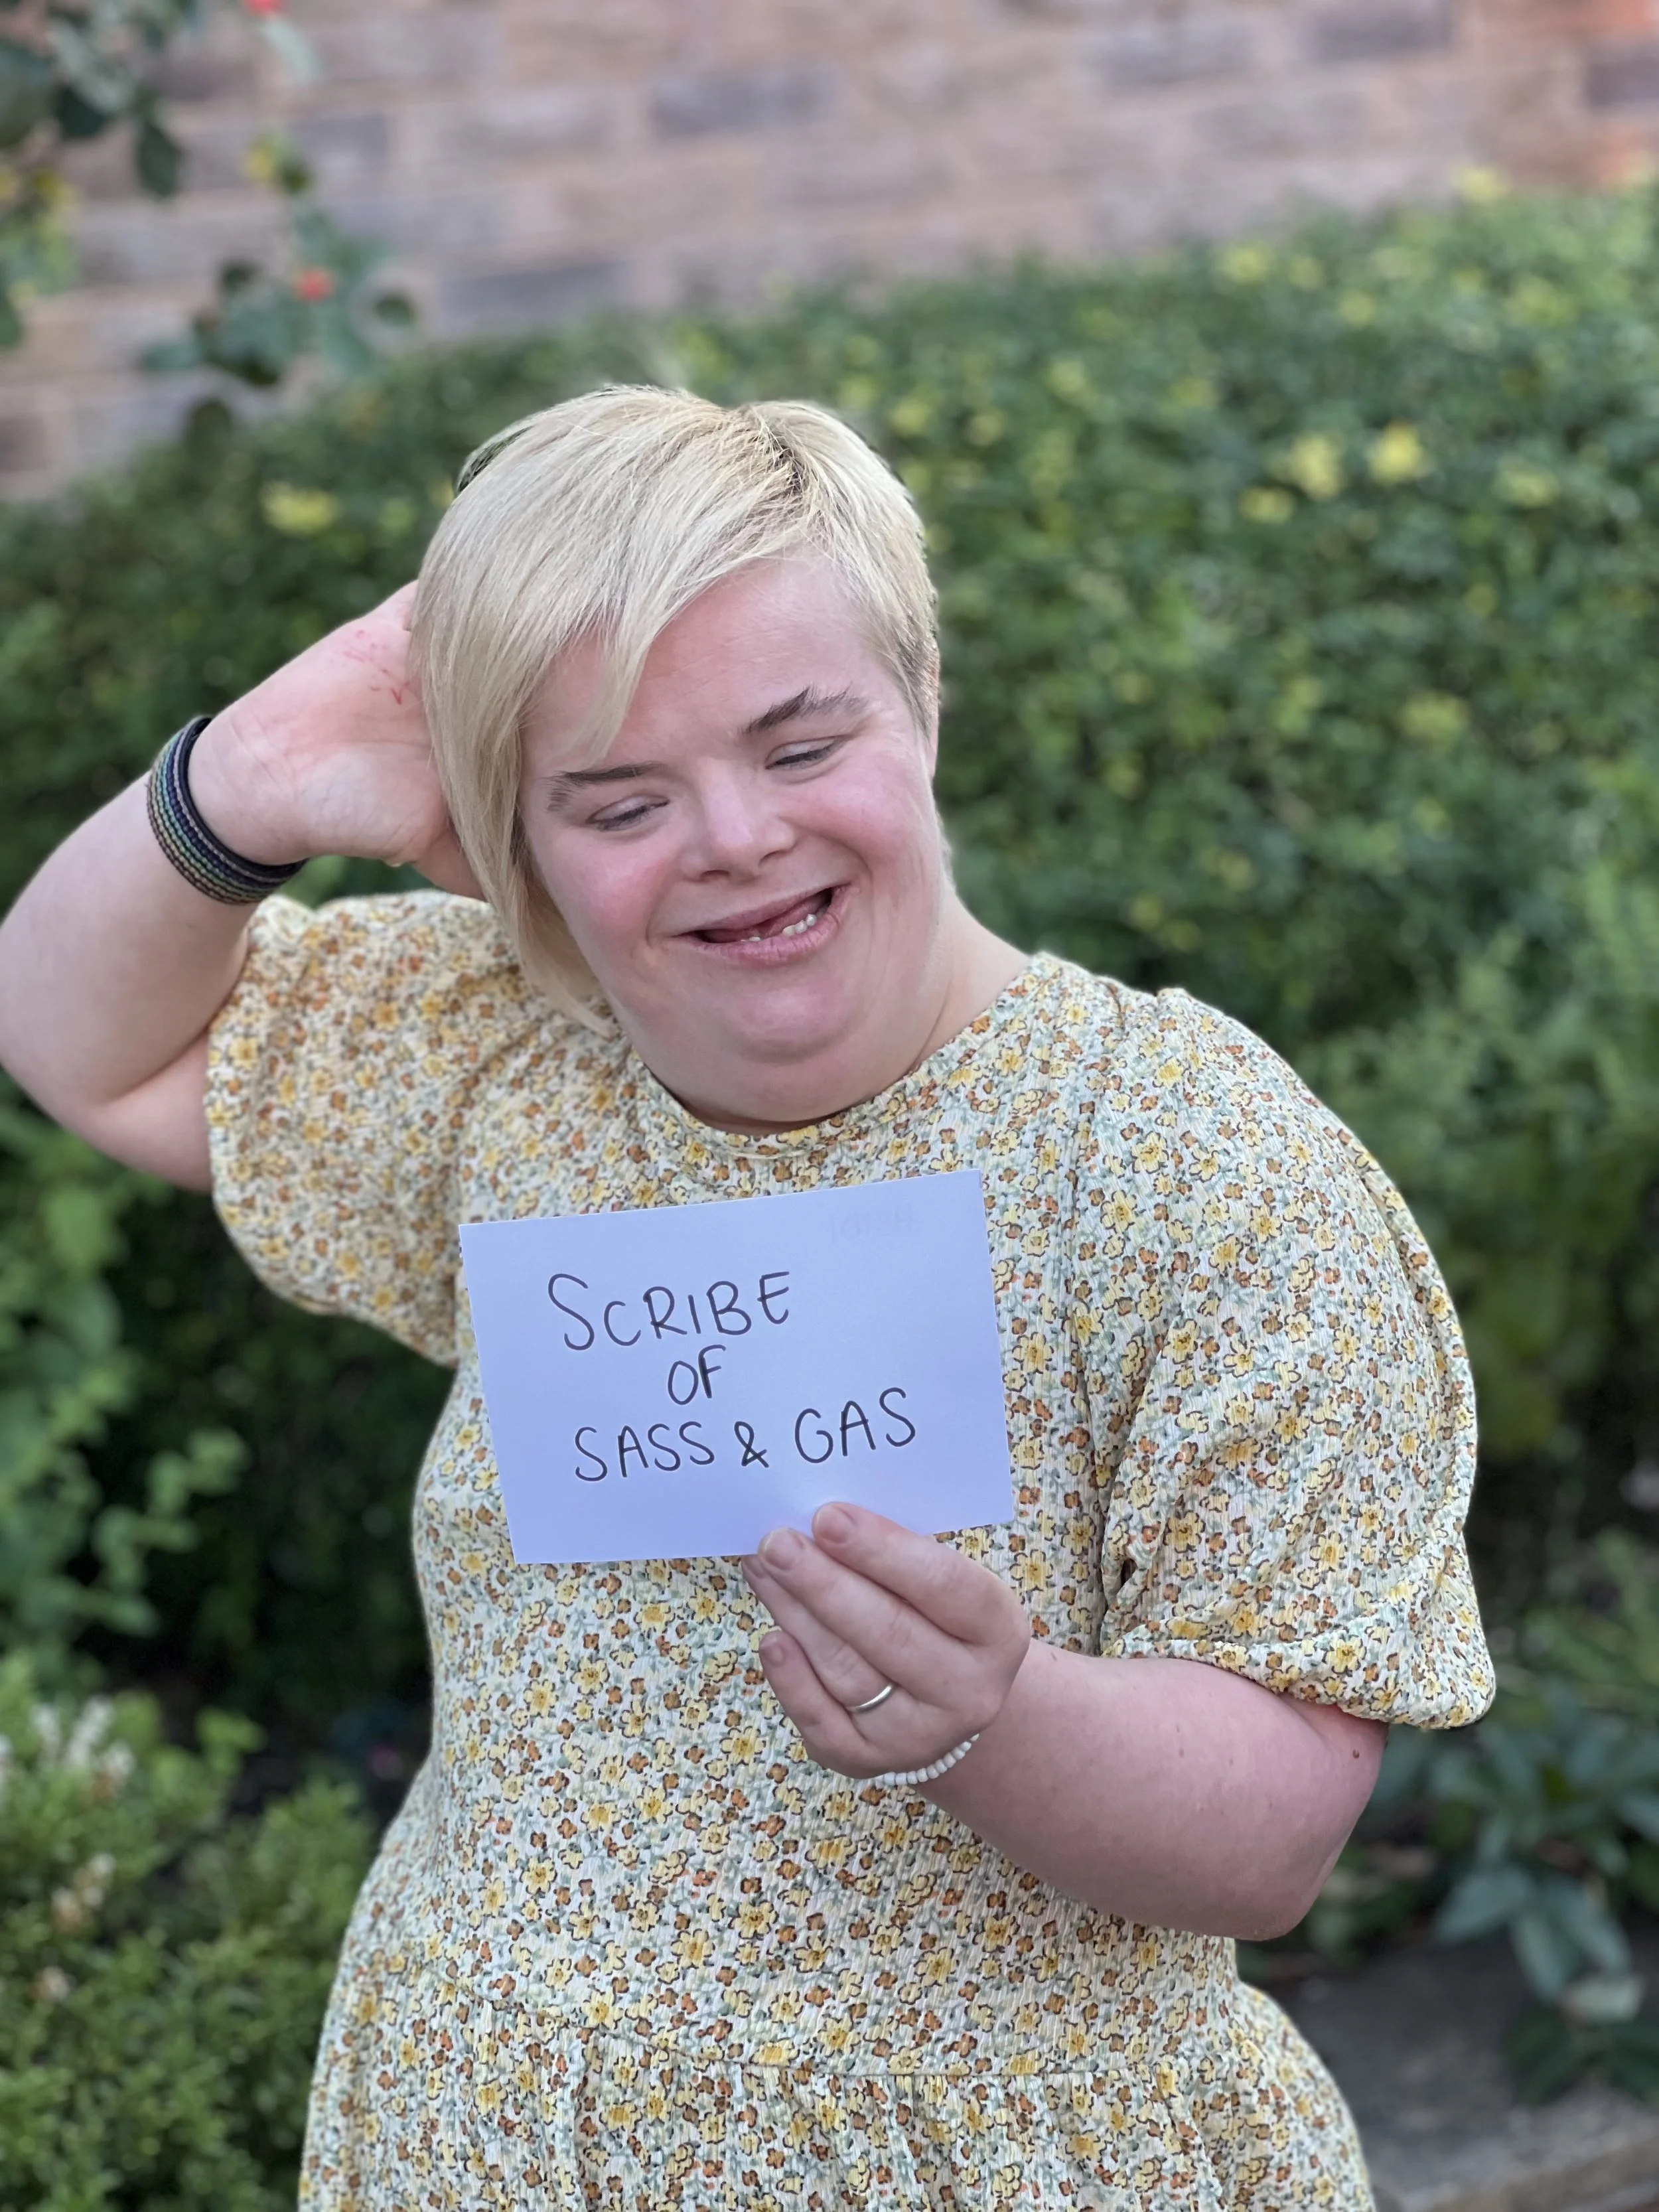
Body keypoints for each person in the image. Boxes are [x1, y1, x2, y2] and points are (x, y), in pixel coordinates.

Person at [0, 386, 1492, 2210]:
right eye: (616, 798)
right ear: (513, 840)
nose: (730, 835)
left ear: (923, 698)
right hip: (492, 2148)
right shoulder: (518, 1057)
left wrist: (990, 1714)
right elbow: (80, 1043)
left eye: (801, 743)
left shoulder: (1179, 1154)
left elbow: (1277, 1826)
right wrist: (253, 770)